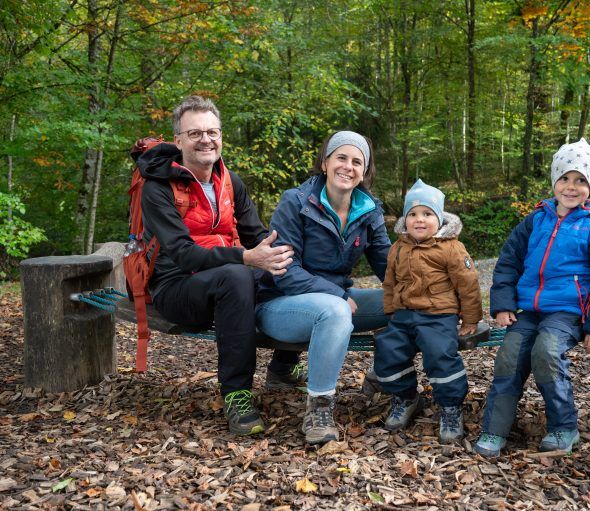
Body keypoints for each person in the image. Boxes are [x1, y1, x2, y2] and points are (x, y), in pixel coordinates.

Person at [137, 95, 301, 437]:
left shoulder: (230, 182)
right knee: (238, 273)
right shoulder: (157, 189)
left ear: (221, 136)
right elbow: (183, 253)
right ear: (178, 140)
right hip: (176, 289)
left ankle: (284, 365)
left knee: (276, 268)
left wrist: (284, 258)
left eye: (212, 132)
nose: (205, 140)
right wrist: (246, 257)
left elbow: (258, 236)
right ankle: (237, 394)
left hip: (227, 283)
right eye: (195, 133)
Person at [474, 138, 590, 457]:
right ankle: (495, 430)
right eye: (565, 178)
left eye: (581, 180)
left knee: (546, 352)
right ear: (555, 181)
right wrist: (502, 304)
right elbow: (509, 261)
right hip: (528, 310)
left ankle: (563, 427)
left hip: (566, 313)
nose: (571, 187)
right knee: (510, 356)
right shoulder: (535, 220)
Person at [254, 130, 391, 445]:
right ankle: (319, 410)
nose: (348, 166)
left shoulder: (369, 210)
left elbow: (391, 269)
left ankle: (385, 373)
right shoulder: (296, 202)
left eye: (357, 161)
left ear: (364, 172)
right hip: (280, 304)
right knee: (335, 309)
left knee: (398, 300)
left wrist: (437, 297)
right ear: (326, 162)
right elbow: (284, 271)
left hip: (335, 305)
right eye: (341, 157)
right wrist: (338, 294)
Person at [373, 179, 482, 443]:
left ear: (439, 218)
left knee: (440, 354)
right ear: (405, 219)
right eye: (412, 214)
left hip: (438, 316)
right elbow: (390, 281)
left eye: (427, 214)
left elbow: (468, 283)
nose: (419, 220)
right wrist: (391, 310)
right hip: (403, 315)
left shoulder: (450, 247)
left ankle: (450, 406)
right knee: (387, 352)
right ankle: (407, 397)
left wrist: (470, 319)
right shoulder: (399, 247)